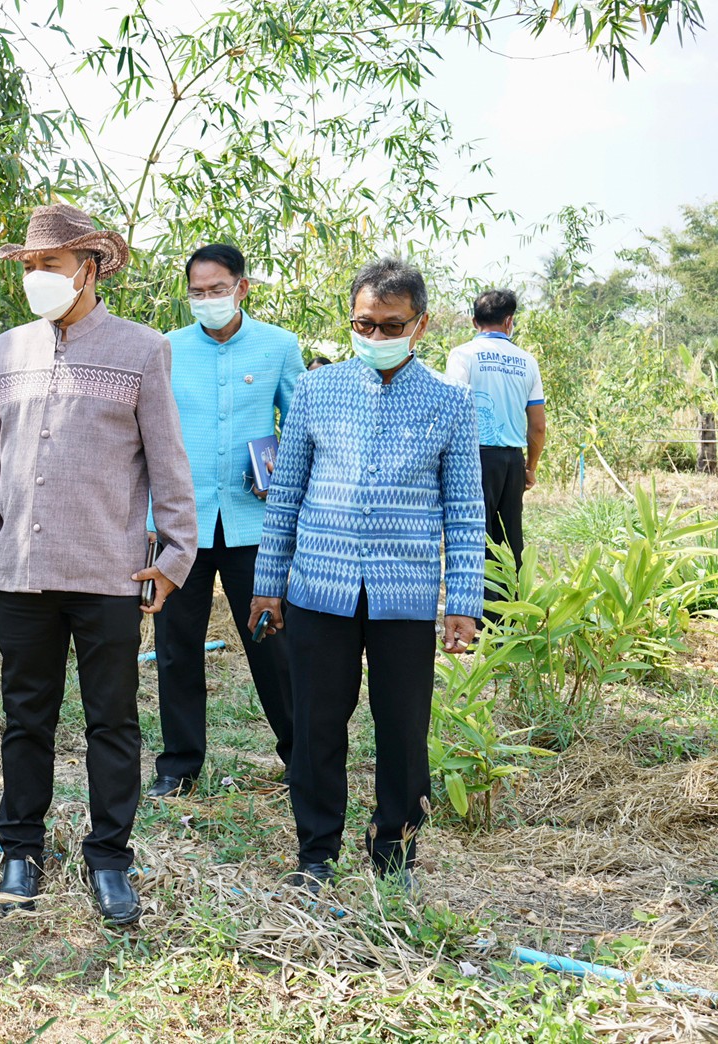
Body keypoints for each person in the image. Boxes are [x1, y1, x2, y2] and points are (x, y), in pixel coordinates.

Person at [0, 203, 199, 925]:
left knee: (112, 722)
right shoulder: (4, 350)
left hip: (107, 571)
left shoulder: (142, 349)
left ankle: (109, 857)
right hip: (23, 571)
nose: (36, 278)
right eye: (29, 267)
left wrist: (174, 556)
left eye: (49, 266)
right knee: (25, 718)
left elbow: (168, 463)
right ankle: (21, 850)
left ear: (88, 269)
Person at [248, 257, 483, 895]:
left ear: (421, 324)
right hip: (319, 589)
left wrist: (462, 600)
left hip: (403, 597)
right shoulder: (317, 392)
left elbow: (465, 514)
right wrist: (267, 584)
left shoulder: (452, 404)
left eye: (390, 325)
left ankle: (394, 853)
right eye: (363, 324)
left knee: (403, 728)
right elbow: (286, 496)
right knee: (317, 724)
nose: (375, 337)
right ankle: (315, 854)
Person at [147, 243, 302, 799]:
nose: (208, 300)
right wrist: (150, 519)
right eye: (198, 292)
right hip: (181, 527)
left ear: (242, 287)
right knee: (175, 646)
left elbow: (301, 428)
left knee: (273, 642)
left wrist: (281, 475)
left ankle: (299, 755)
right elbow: (149, 439)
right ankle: (179, 765)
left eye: (218, 290)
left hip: (253, 525)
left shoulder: (279, 348)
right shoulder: (165, 350)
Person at [444, 288, 546, 583]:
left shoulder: (462, 355)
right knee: (511, 537)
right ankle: (512, 613)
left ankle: (475, 613)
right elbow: (538, 426)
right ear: (509, 321)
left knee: (474, 536)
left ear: (475, 322)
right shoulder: (526, 361)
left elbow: (453, 411)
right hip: (512, 461)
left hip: (472, 459)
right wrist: (530, 468)